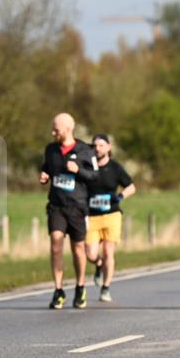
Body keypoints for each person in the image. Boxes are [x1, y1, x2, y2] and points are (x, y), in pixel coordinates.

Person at [40, 113, 98, 309]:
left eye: (56, 129)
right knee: (56, 243)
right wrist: (45, 174)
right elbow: (47, 167)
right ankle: (58, 290)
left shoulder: (85, 151)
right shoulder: (51, 150)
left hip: (77, 206)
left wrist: (78, 171)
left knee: (78, 249)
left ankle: (80, 287)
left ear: (67, 130)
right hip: (56, 205)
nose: (53, 132)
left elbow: (94, 176)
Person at [85, 134, 135, 302]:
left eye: (101, 145)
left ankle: (106, 288)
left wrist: (120, 197)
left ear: (108, 148)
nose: (97, 148)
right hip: (92, 215)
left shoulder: (115, 168)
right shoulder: (88, 167)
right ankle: (98, 265)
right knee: (90, 254)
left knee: (108, 251)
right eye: (94, 146)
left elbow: (131, 186)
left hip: (112, 214)